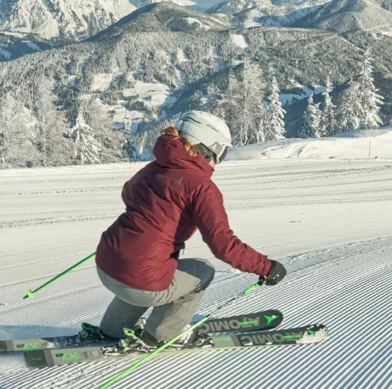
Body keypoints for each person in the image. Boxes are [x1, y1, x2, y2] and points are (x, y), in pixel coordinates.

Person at [87, 111, 288, 349]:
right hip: (141, 280)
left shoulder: (155, 167)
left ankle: (112, 329)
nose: (218, 162)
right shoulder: (201, 187)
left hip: (107, 264)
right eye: (220, 154)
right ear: (206, 148)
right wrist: (266, 267)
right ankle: (162, 335)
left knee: (141, 269)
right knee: (201, 271)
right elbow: (222, 244)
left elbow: (128, 193)